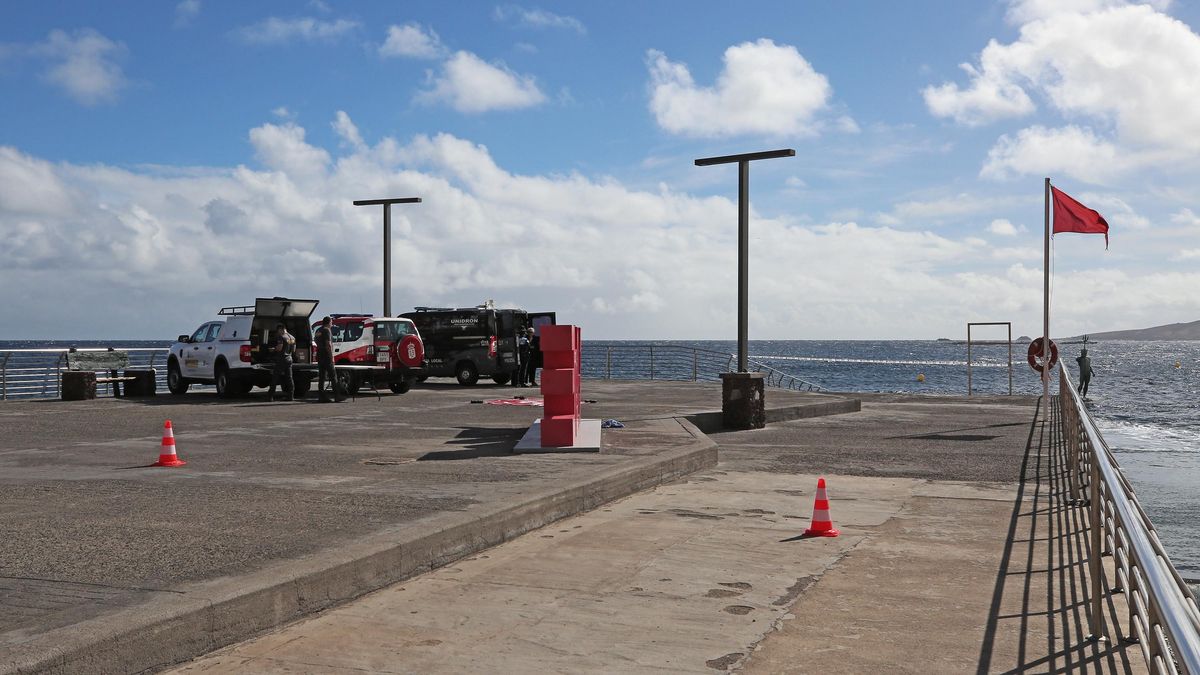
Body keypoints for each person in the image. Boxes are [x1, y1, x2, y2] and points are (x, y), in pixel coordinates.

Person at [314, 316, 346, 402]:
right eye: (331, 322)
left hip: (319, 355)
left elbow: (316, 341)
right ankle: (337, 396)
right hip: (326, 355)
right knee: (333, 376)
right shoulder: (327, 330)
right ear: (328, 322)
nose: (332, 324)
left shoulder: (318, 330)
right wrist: (332, 357)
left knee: (322, 377)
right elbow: (328, 344)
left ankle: (321, 396)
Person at [267, 322, 296, 402]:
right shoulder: (292, 337)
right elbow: (294, 350)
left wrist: (273, 349)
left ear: (280, 329)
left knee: (275, 377)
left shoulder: (281, 337)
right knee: (289, 378)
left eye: (278, 331)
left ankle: (270, 396)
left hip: (282, 359)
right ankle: (291, 396)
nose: (278, 333)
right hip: (289, 359)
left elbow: (279, 348)